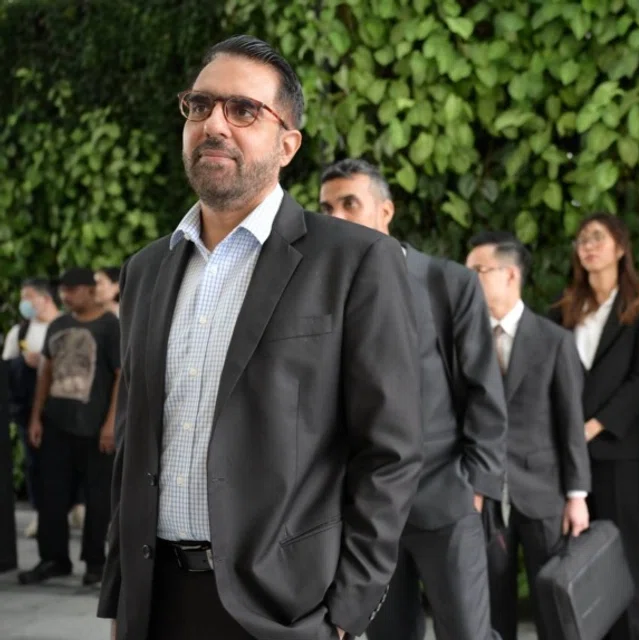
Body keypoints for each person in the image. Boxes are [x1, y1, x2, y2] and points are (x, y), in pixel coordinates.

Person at [96, 36, 423, 640]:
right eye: (200, 106)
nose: (214, 123)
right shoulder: (146, 270)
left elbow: (391, 451)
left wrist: (347, 611)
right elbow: (135, 447)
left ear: (287, 144)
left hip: (283, 612)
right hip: (155, 603)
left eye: (243, 110)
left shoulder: (354, 261)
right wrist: (121, 598)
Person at [320, 158, 507, 640]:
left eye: (349, 204)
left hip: (447, 497)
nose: (335, 217)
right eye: (326, 207)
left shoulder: (448, 283)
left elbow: (485, 391)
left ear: (386, 211)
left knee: (467, 633)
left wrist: (477, 487)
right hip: (368, 513)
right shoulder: (320, 293)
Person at [552, 213, 639, 640]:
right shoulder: (563, 308)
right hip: (568, 451)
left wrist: (595, 426)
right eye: (582, 239)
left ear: (620, 248)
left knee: (630, 547)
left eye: (598, 238)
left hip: (615, 448)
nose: (588, 246)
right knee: (581, 553)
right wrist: (570, 431)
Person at [465, 231, 591, 640]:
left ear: (510, 275)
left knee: (553, 603)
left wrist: (577, 497)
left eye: (478, 271)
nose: (468, 280)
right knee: (489, 606)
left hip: (542, 495)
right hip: (480, 496)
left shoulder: (554, 341)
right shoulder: (461, 340)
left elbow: (570, 424)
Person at [18, 267, 120, 588]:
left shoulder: (110, 327)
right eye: (64, 290)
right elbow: (46, 373)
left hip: (94, 428)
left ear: (90, 291)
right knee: (52, 494)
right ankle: (54, 559)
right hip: (56, 423)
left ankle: (94, 562)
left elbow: (120, 377)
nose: (67, 296)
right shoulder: (58, 325)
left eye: (73, 290)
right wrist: (36, 417)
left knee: (98, 497)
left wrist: (111, 423)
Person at [2, 278, 61, 537]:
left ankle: (73, 510)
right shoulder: (20, 332)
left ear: (45, 298)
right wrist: (24, 363)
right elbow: (6, 369)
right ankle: (41, 514)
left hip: (64, 409)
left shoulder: (65, 326)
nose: (24, 304)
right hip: (28, 409)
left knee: (67, 465)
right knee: (35, 464)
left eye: (28, 297)